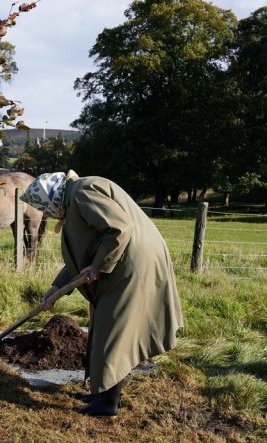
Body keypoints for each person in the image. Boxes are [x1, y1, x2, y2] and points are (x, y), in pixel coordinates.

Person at [20, 170, 183, 417]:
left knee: (112, 330)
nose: (46, 214)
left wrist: (98, 266)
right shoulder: (75, 198)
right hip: (122, 265)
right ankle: (101, 391)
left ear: (52, 199)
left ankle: (106, 404)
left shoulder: (82, 192)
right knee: (104, 324)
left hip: (131, 266)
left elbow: (120, 228)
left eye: (45, 208)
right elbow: (82, 255)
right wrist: (56, 287)